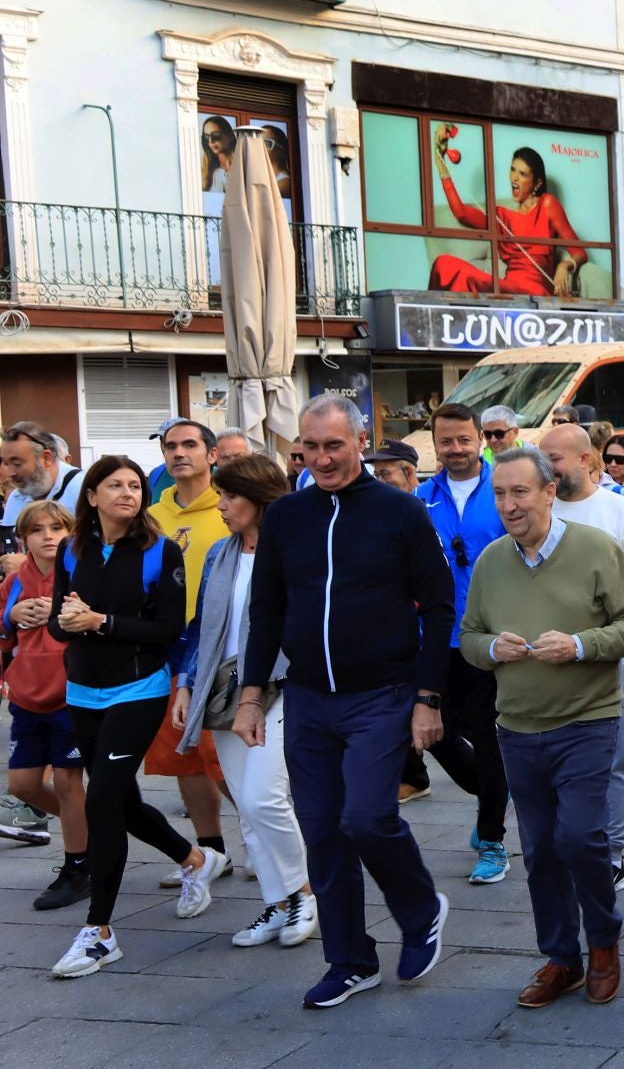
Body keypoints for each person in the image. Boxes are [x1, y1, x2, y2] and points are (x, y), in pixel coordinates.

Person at [239, 394, 455, 1009]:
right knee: (323, 832)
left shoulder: (402, 512)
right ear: (300, 448)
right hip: (308, 697)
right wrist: (252, 694)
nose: (324, 457)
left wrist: (428, 698)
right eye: (313, 446)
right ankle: (350, 960)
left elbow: (439, 607)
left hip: (382, 693)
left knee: (365, 817)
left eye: (336, 445)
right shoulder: (286, 517)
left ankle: (420, 912)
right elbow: (267, 611)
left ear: (360, 443)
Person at [460, 447, 624, 1008]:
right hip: (517, 728)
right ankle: (561, 958)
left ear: (550, 491)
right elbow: (470, 637)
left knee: (580, 838)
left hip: (586, 721)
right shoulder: (493, 560)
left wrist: (578, 646)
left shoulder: (594, 548)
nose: (509, 504)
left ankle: (604, 943)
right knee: (541, 849)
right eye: (500, 494)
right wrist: (493, 646)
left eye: (520, 492)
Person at [47, 457, 226, 978]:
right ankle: (195, 860)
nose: (127, 493)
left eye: (135, 486)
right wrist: (61, 620)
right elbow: (62, 625)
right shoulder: (72, 548)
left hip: (138, 689)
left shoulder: (160, 550)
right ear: (93, 495)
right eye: (115, 485)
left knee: (101, 800)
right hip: (82, 691)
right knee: (120, 804)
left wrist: (99, 622)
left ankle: (99, 932)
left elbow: (169, 629)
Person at [170, 454, 317, 950]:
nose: (222, 505)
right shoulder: (219, 553)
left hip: (280, 684)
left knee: (264, 797)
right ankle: (275, 905)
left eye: (230, 496)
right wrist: (187, 682)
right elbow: (201, 627)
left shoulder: (296, 548)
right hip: (223, 686)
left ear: (258, 498)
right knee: (248, 809)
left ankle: (303, 893)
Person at [538, 425, 624, 886]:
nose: (547, 468)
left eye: (554, 458)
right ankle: (568, 842)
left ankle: (613, 852)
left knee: (613, 755)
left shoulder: (621, 512)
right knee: (554, 754)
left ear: (585, 460)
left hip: (614, 655)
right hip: (548, 657)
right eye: (543, 458)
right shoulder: (536, 509)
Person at [414, 402, 513, 885]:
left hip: (492, 637)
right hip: (434, 638)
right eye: (446, 441)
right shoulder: (420, 497)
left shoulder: (505, 488)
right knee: (433, 733)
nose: (455, 449)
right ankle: (494, 794)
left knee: (492, 741)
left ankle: (492, 839)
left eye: (464, 440)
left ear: (480, 439)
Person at [145, 418, 232, 887]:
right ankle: (213, 850)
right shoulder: (152, 515)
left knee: (226, 759)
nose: (179, 453)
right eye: (170, 446)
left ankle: (273, 841)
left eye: (190, 445)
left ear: (212, 454)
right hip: (167, 650)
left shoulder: (227, 506)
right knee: (186, 757)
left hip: (220, 650)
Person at [0, 500, 91, 910]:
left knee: (70, 782)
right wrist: (11, 615)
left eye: (57, 527)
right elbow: (3, 629)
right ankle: (93, 830)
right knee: (22, 784)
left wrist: (64, 611)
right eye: (38, 530)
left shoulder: (82, 573)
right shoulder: (16, 580)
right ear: (23, 539)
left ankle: (78, 865)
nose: (48, 536)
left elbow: (101, 621)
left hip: (71, 695)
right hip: (26, 696)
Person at [428, 139, 587, 297]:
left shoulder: (547, 205)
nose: (514, 178)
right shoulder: (502, 217)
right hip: (508, 289)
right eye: (513, 170)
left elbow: (579, 252)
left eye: (522, 174)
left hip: (535, 292)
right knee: (444, 264)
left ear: (537, 184)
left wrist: (565, 265)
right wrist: (440, 162)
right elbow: (461, 212)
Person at [3, 421, 83, 535]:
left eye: (17, 464)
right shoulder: (16, 498)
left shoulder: (84, 489)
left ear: (46, 458)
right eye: (6, 464)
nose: (10, 473)